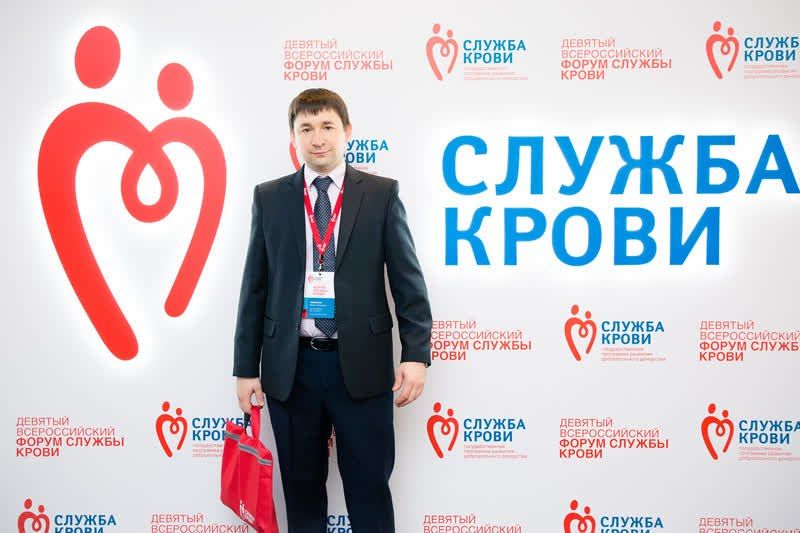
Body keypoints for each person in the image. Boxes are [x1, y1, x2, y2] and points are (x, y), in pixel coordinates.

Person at [233, 88, 432, 532]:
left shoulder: (380, 194)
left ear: (347, 132)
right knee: (301, 493)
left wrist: (416, 354)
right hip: (292, 368)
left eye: (327, 126)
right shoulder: (270, 197)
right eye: (306, 128)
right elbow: (254, 288)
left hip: (361, 365)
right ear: (293, 137)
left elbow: (408, 282)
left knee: (370, 490)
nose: (317, 138)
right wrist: (245, 368)